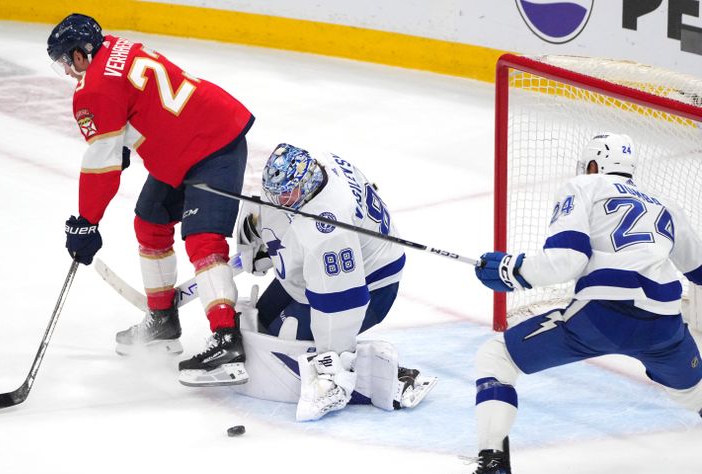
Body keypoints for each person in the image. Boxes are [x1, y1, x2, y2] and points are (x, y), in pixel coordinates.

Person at [439, 133, 702, 474]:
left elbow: (566, 260)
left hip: (602, 317)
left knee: (497, 356)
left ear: (593, 165)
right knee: (696, 395)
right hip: (664, 324)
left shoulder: (585, 185)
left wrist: (515, 270)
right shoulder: (665, 206)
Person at [47, 13, 254, 386]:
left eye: (66, 61)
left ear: (80, 54)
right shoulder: (113, 45)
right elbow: (134, 103)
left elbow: (102, 167)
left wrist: (86, 221)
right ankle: (162, 321)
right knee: (150, 220)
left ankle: (227, 342)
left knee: (203, 239)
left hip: (212, 145)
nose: (67, 71)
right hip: (187, 139)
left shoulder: (92, 89)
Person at [237, 143, 434, 420]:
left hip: (372, 285)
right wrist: (263, 236)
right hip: (350, 260)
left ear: (308, 184)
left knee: (284, 341)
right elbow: (276, 204)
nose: (279, 200)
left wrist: (331, 365)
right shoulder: (317, 163)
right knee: (262, 323)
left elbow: (342, 303)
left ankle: (383, 377)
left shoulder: (328, 231)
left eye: (288, 195)